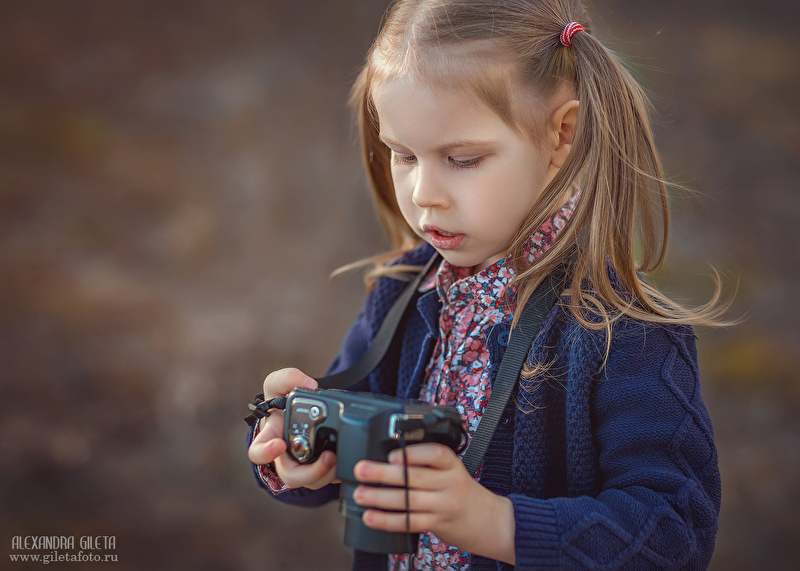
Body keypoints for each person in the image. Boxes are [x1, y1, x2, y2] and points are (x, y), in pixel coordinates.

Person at [247, 1, 729, 569]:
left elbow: (676, 532)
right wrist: (297, 446)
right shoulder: (404, 292)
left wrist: (493, 523)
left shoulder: (621, 330)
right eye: (403, 155)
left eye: (463, 159)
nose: (424, 192)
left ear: (561, 135)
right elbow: (343, 471)